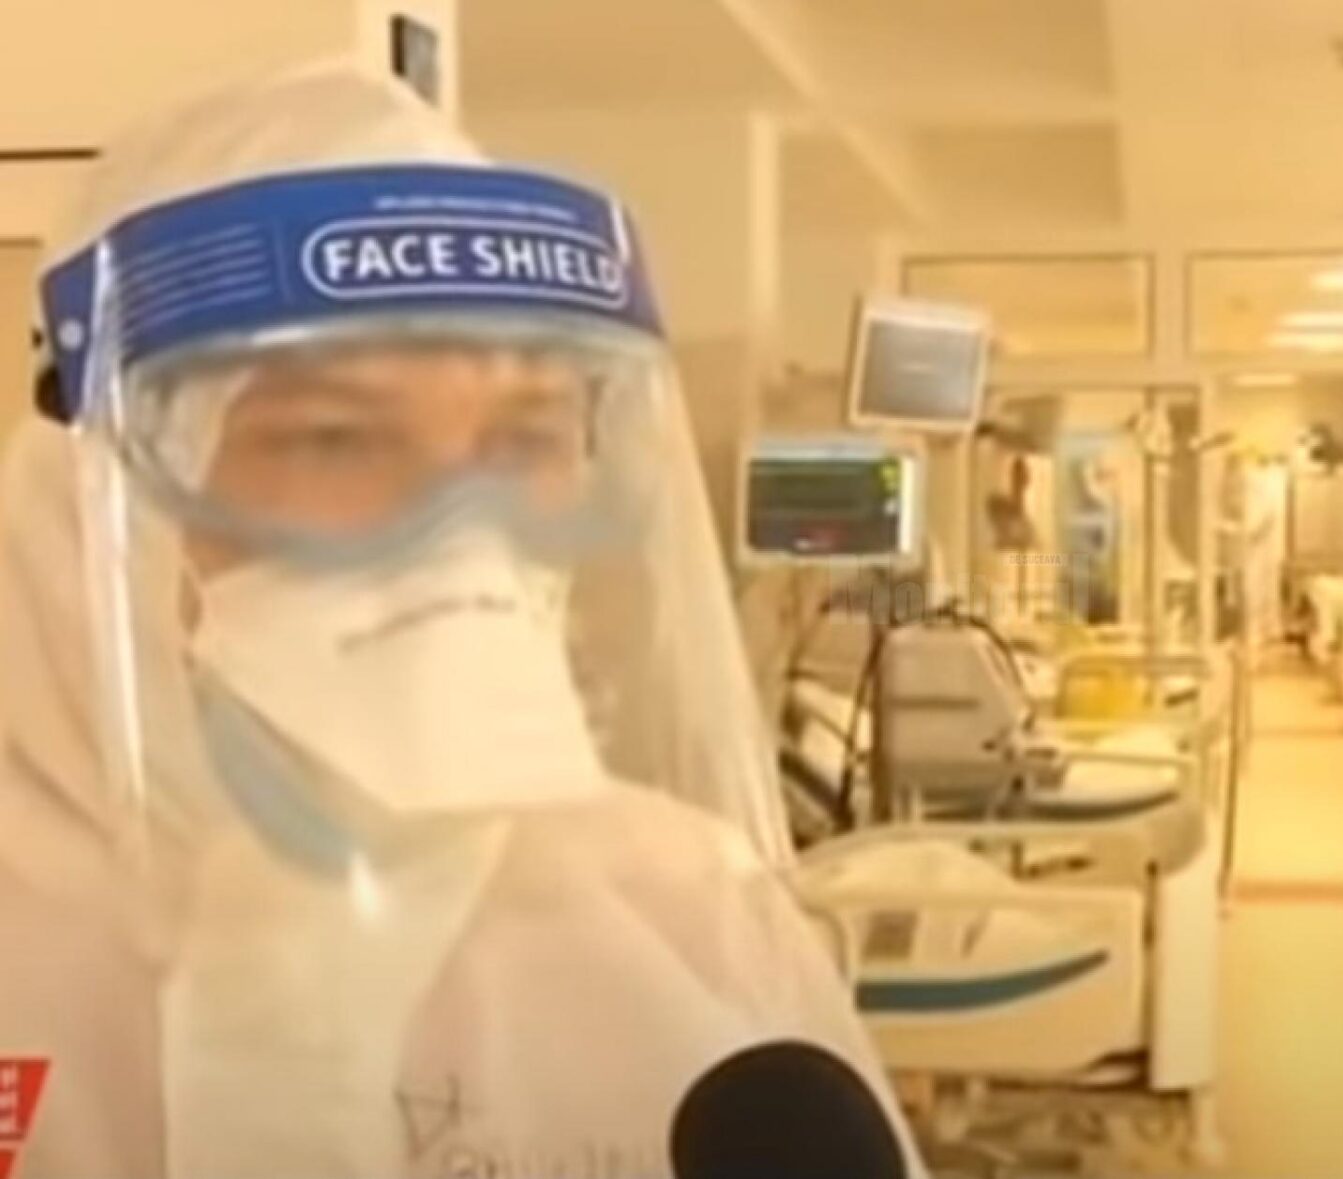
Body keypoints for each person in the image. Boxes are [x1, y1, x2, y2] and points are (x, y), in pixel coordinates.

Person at [0, 62, 920, 1178]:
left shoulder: (686, 912)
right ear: (91, 486)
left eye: (525, 438)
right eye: (334, 438)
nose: (459, 529)